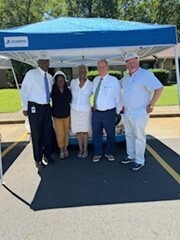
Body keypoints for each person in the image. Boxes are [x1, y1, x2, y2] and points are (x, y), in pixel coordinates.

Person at [120, 52, 163, 171]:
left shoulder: (146, 74)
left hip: (140, 112)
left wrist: (152, 104)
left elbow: (159, 88)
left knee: (139, 136)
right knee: (129, 134)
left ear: (138, 62)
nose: (132, 64)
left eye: (134, 61)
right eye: (129, 62)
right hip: (128, 112)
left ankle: (139, 160)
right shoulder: (125, 77)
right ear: (126, 64)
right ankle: (131, 155)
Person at [21, 51, 54, 170]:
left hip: (46, 107)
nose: (45, 64)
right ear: (38, 62)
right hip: (34, 107)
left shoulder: (50, 77)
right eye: (43, 61)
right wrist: (25, 107)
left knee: (47, 133)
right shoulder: (32, 74)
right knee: (36, 134)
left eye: (47, 62)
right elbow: (24, 90)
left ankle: (47, 156)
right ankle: (38, 159)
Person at [92, 59, 122, 162]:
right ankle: (97, 153)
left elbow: (118, 96)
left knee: (110, 134)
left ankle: (109, 152)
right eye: (99, 67)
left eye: (103, 66)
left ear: (107, 67)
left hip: (109, 112)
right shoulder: (95, 80)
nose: (101, 69)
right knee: (96, 134)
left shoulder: (113, 80)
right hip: (96, 112)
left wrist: (117, 112)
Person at [70, 64, 93, 158]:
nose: (82, 73)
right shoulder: (73, 82)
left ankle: (85, 149)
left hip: (86, 110)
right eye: (80, 71)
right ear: (78, 72)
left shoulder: (91, 84)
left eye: (84, 71)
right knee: (78, 131)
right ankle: (80, 149)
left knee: (85, 131)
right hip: (74, 109)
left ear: (86, 72)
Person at [51, 71, 72, 159]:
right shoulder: (53, 91)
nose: (60, 82)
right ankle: (61, 150)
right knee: (60, 134)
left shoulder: (68, 90)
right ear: (56, 81)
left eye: (62, 80)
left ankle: (66, 149)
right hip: (57, 116)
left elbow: (70, 101)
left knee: (66, 132)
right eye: (58, 80)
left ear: (65, 81)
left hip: (67, 115)